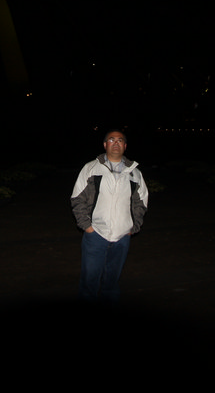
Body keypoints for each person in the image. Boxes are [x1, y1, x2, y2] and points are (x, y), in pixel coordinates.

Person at [70, 129, 149, 303]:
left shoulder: (134, 173)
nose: (116, 143)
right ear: (105, 144)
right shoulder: (91, 168)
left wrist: (133, 227)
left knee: (112, 281)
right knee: (89, 281)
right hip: (96, 234)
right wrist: (87, 227)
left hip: (122, 236)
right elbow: (77, 198)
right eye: (111, 140)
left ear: (125, 146)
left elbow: (141, 202)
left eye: (120, 140)